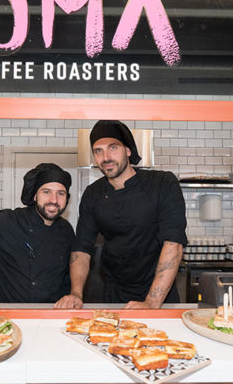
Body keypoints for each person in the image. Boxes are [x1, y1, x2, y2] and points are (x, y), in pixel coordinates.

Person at [55, 120, 188, 309]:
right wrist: (76, 293)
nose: (106, 157)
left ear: (128, 150)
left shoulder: (162, 183)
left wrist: (151, 303)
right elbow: (81, 249)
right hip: (114, 294)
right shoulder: (93, 194)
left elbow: (173, 243)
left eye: (113, 148)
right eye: (98, 151)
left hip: (159, 295)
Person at [0, 163, 75, 304]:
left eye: (61, 193)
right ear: (35, 195)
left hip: (51, 312)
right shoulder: (5, 222)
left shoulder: (66, 230)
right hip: (4, 311)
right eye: (46, 192)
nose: (54, 200)